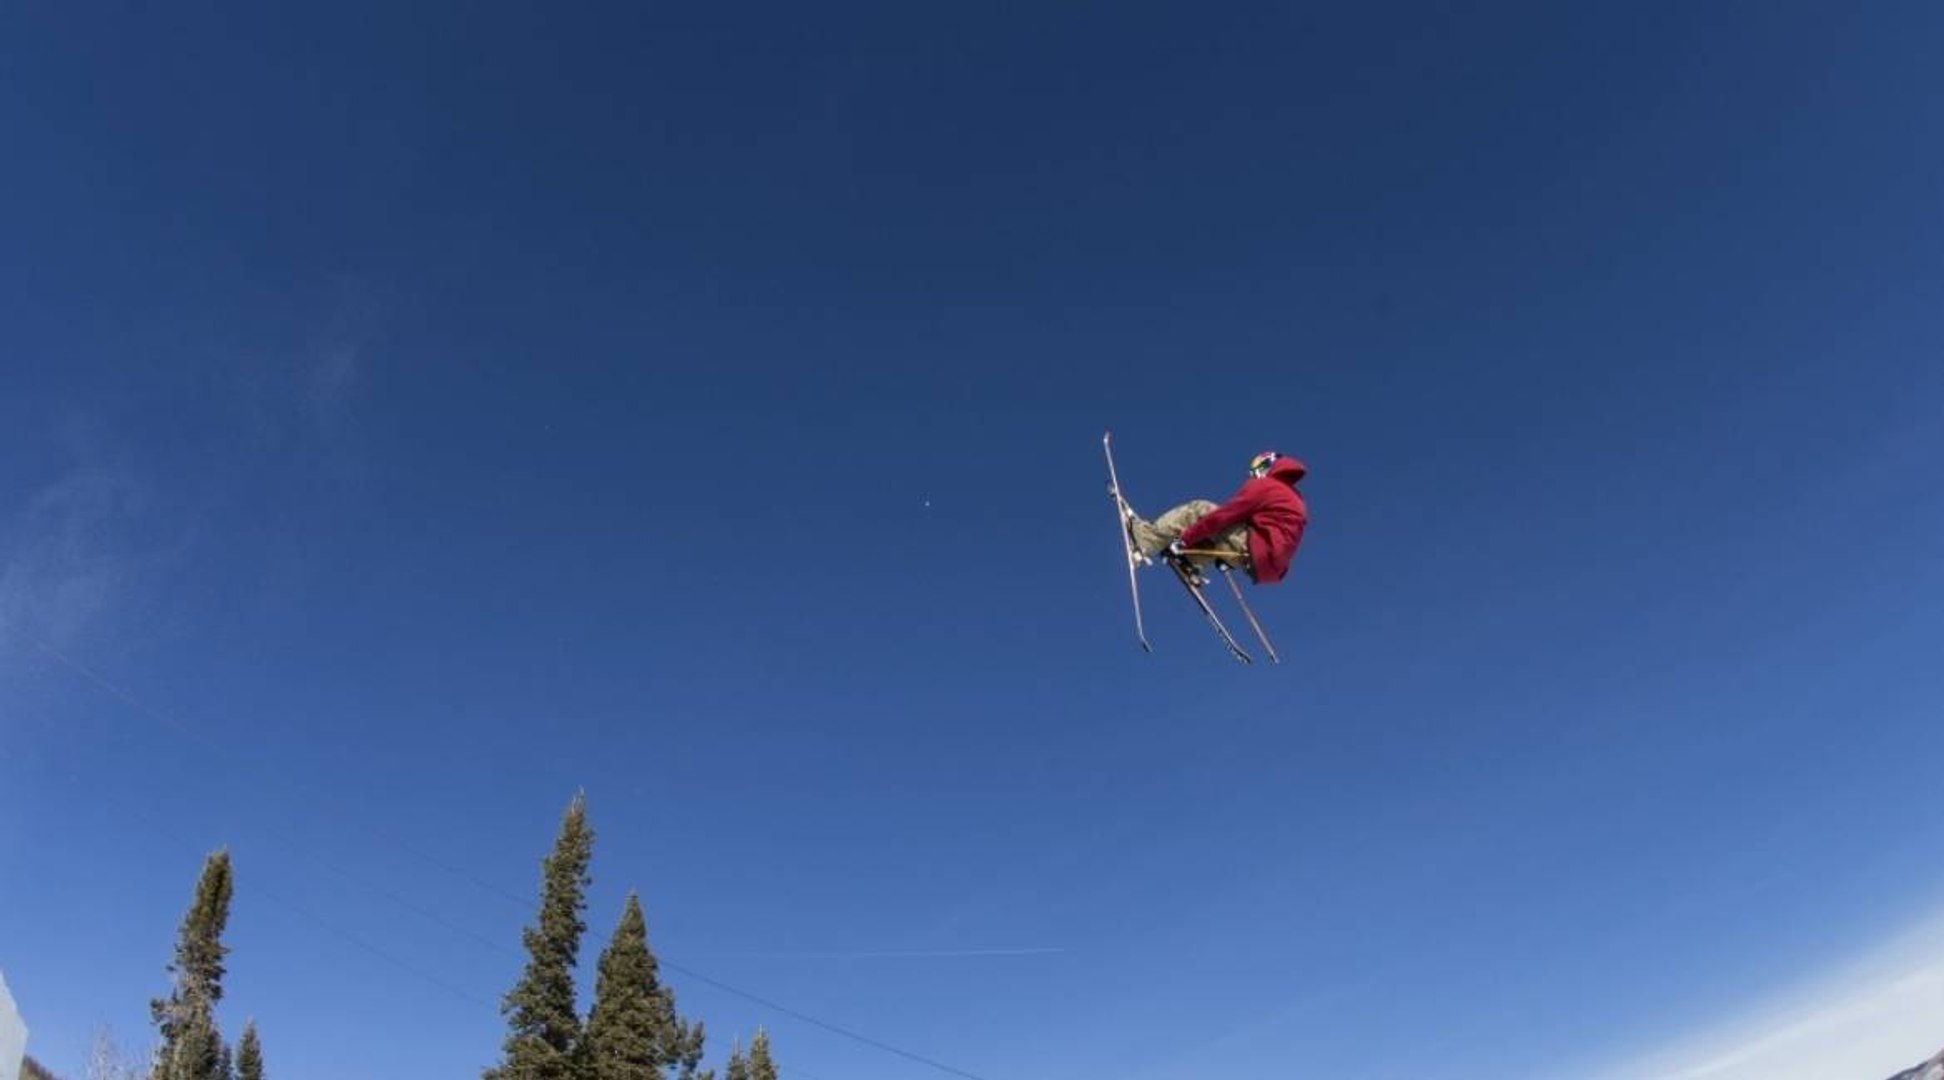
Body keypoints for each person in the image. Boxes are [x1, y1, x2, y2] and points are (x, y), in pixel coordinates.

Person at [1127, 451, 1308, 584]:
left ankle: (1145, 539)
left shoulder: (1267, 486)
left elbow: (1226, 515)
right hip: (1267, 567)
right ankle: (1190, 562)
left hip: (1247, 547)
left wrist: (1185, 539)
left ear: (1265, 467)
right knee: (1218, 532)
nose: (1254, 477)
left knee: (1200, 509)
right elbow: (1283, 540)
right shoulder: (1295, 499)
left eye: (1255, 472)